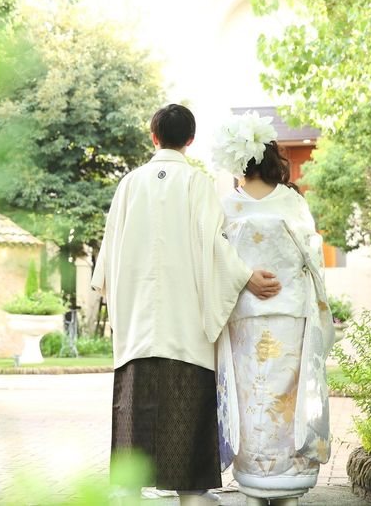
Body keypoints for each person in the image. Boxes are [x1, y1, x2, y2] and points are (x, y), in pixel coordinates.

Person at [91, 104, 282, 506]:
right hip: (186, 320)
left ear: (153, 136)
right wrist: (246, 275)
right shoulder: (197, 183)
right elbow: (214, 245)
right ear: (190, 140)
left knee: (135, 400)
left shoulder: (129, 184)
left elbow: (108, 252)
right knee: (185, 401)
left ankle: (127, 488)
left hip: (138, 321)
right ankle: (190, 491)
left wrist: (113, 293)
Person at [213, 112, 335, 506]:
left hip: (244, 321)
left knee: (251, 400)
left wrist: (245, 277)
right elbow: (313, 261)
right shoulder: (292, 202)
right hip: (290, 319)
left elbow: (214, 263)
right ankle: (287, 486)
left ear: (237, 162)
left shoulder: (226, 207)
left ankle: (253, 483)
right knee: (287, 400)